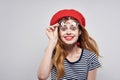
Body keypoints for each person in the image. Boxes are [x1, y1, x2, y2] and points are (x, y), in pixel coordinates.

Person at [37, 9, 101, 80]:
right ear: (58, 33)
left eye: (73, 28)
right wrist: (52, 41)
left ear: (79, 32)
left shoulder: (89, 57)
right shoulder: (54, 54)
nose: (68, 32)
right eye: (63, 29)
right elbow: (42, 77)